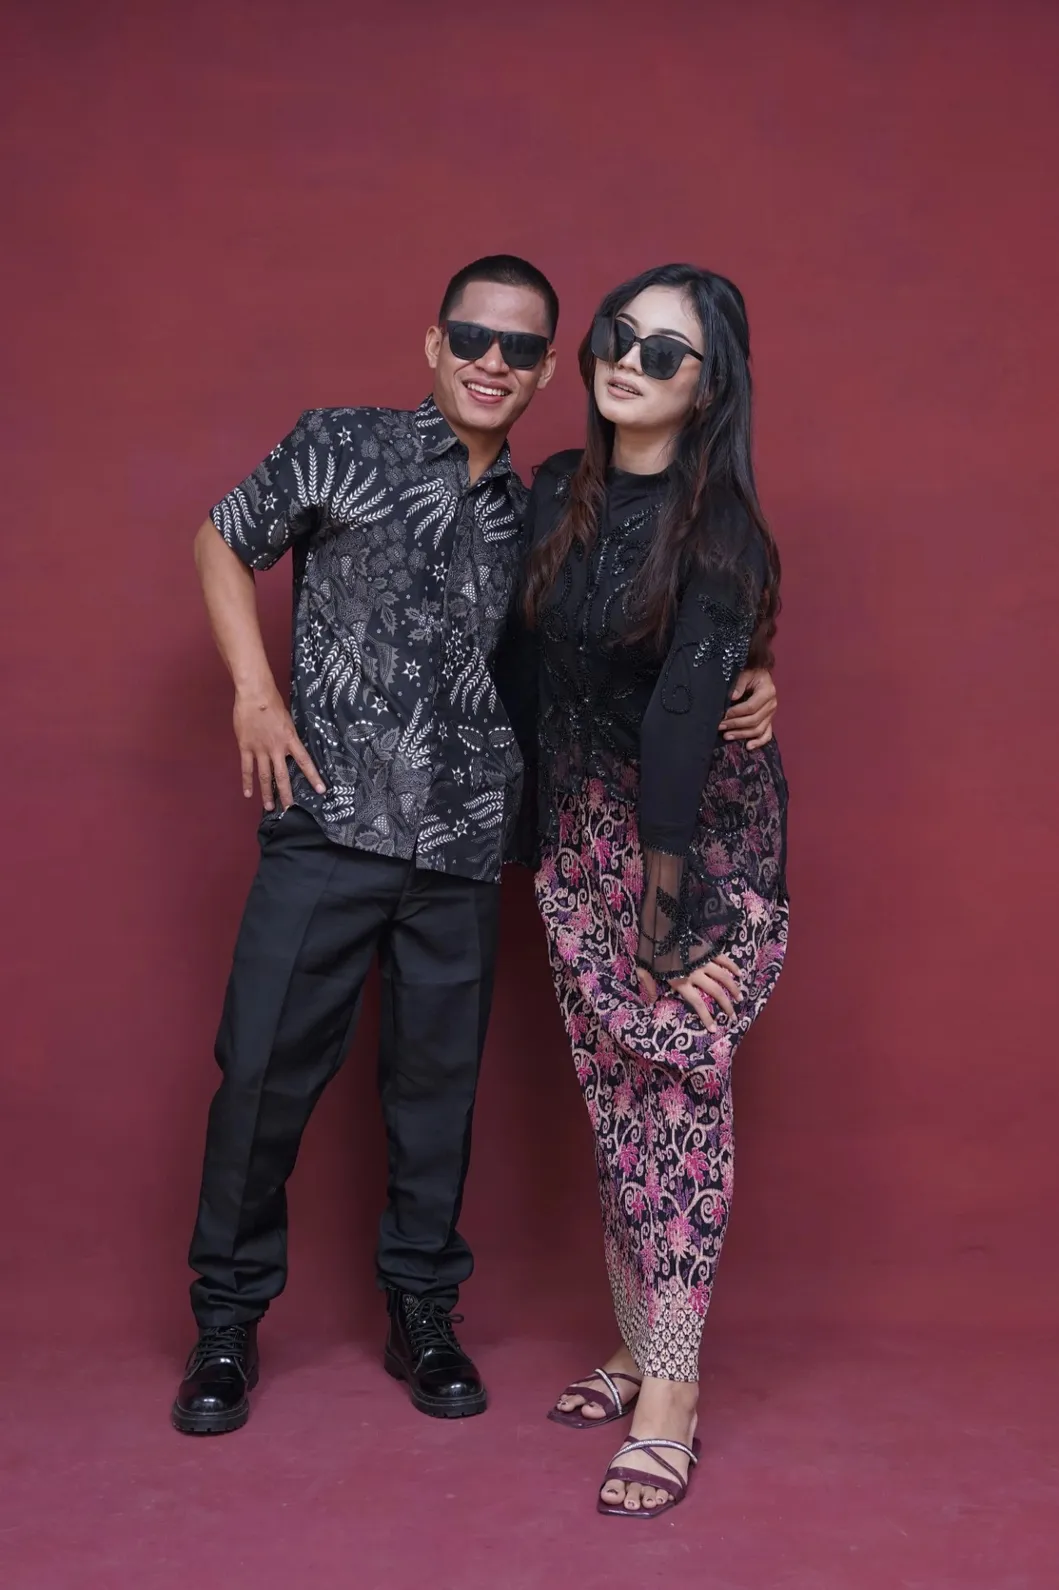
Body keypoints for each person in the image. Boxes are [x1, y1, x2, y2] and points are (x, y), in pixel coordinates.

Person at [172, 254, 779, 1437]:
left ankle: (423, 1312)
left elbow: (653, 615)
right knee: (259, 1078)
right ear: (434, 344)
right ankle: (227, 1324)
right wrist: (253, 690)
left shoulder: (550, 504)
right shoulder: (342, 444)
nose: (492, 362)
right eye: (471, 338)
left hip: (465, 848)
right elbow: (219, 537)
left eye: (521, 348)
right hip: (328, 825)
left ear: (550, 371)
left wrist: (752, 672)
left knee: (435, 1095)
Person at [514, 264, 789, 1516]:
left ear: (710, 385)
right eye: (619, 336)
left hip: (694, 860)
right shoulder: (554, 496)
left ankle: (672, 1395)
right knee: (614, 1103)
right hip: (579, 843)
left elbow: (683, 731)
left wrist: (667, 931)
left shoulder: (723, 537)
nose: (629, 361)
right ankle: (638, 1344)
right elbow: (531, 669)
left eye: (665, 352)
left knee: (674, 1107)